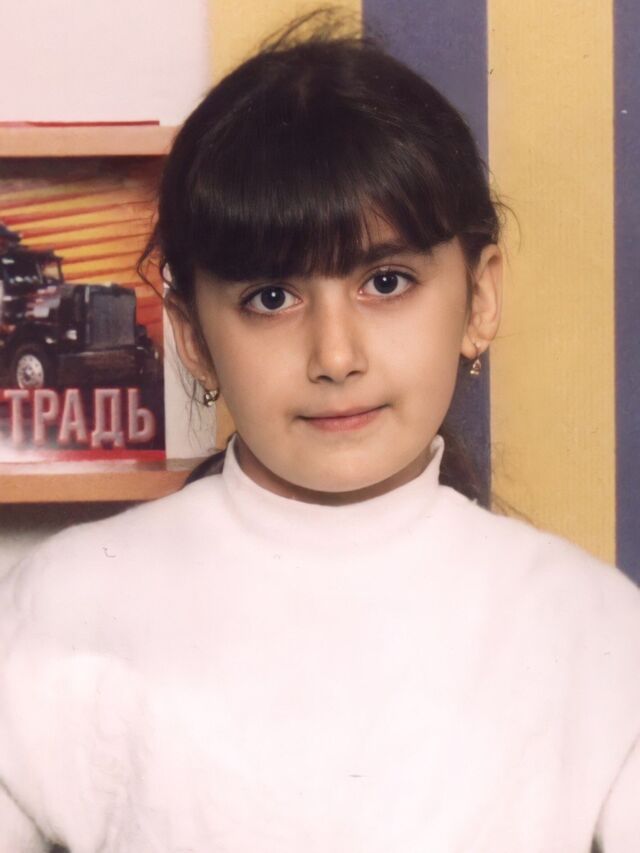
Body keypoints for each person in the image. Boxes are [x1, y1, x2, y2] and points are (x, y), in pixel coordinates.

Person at [1, 14, 639, 853]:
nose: (335, 356)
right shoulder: (57, 608)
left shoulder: (594, 630)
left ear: (479, 298)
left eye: (387, 281)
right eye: (272, 297)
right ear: (192, 334)